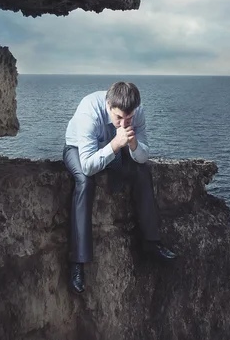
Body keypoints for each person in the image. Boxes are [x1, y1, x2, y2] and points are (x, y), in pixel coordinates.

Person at [63, 81, 176, 293]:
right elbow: (87, 166)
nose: (124, 123)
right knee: (85, 182)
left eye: (129, 118)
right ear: (108, 105)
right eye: (118, 118)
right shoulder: (90, 112)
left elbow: (142, 157)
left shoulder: (136, 112)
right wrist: (115, 145)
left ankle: (151, 242)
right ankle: (78, 262)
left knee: (143, 172)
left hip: (116, 147)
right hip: (78, 149)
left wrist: (133, 145)